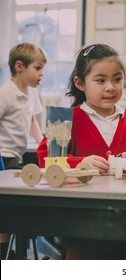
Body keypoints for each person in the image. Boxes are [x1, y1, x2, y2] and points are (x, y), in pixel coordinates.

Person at [37, 43, 126, 259]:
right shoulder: (65, 120)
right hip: (82, 224)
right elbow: (45, 159)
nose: (111, 87)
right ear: (80, 83)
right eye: (101, 80)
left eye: (117, 79)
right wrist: (80, 163)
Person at [0, 42, 46, 259]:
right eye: (37, 68)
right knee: (8, 211)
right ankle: (4, 254)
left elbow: (33, 122)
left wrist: (43, 145)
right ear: (20, 66)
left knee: (22, 205)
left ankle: (15, 251)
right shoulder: (5, 94)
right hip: (3, 157)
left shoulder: (31, 93)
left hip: (16, 156)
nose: (42, 74)